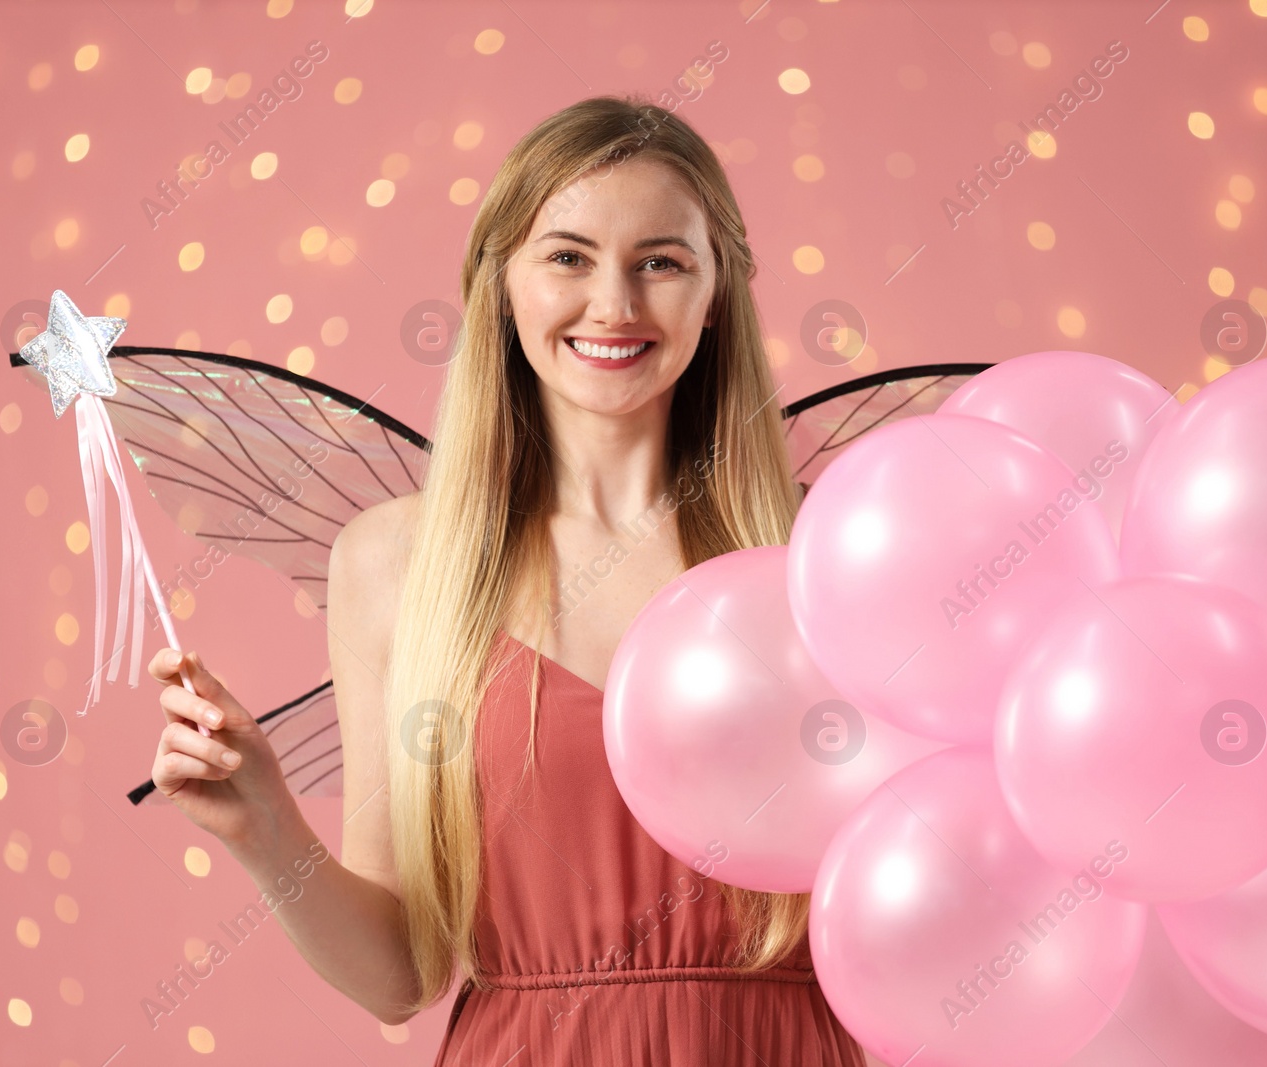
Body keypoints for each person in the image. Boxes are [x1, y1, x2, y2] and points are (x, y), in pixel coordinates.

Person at [147, 95, 866, 1064]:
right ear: (501, 285)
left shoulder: (831, 547)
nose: (613, 303)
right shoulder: (397, 562)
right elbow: (397, 972)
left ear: (718, 290)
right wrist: (267, 826)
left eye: (661, 261)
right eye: (567, 256)